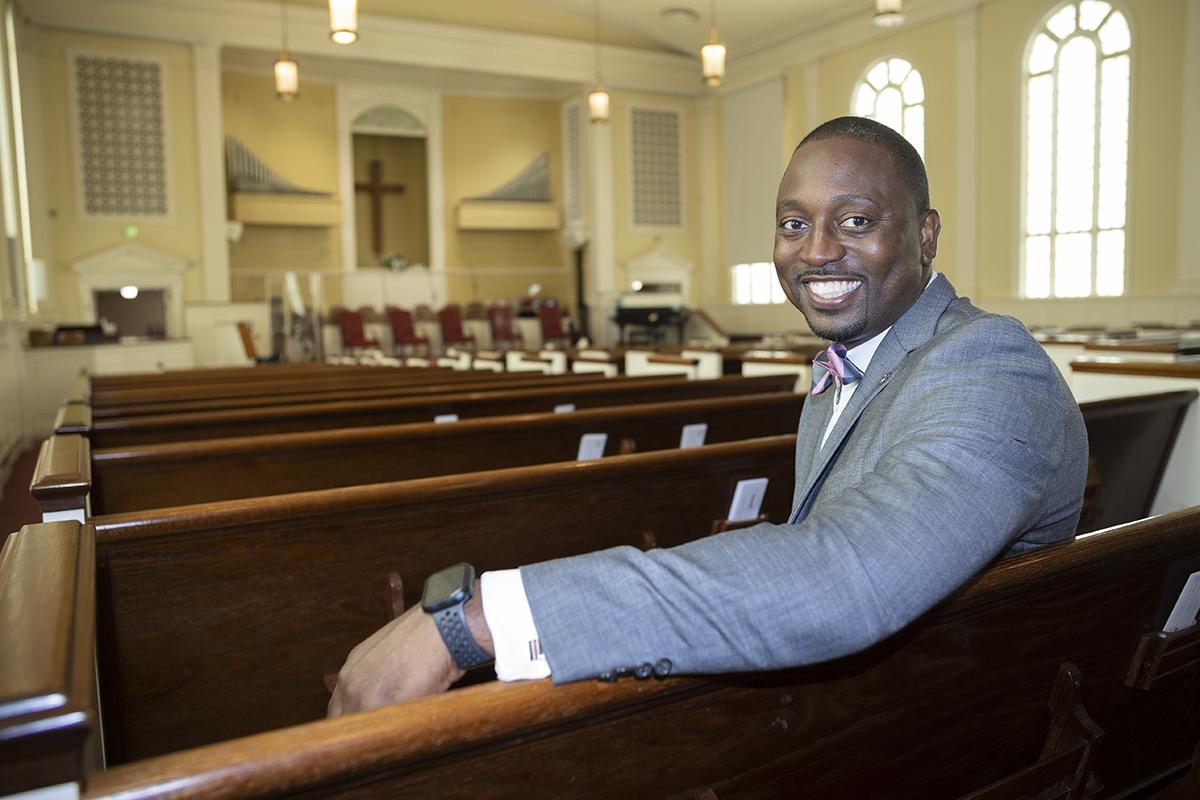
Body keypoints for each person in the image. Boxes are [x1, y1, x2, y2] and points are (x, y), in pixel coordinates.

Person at [327, 116, 1088, 716]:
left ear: (925, 234)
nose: (817, 251)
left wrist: (477, 618)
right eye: (795, 224)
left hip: (951, 728)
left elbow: (845, 579)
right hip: (889, 698)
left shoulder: (988, 362)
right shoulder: (847, 365)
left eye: (855, 222)